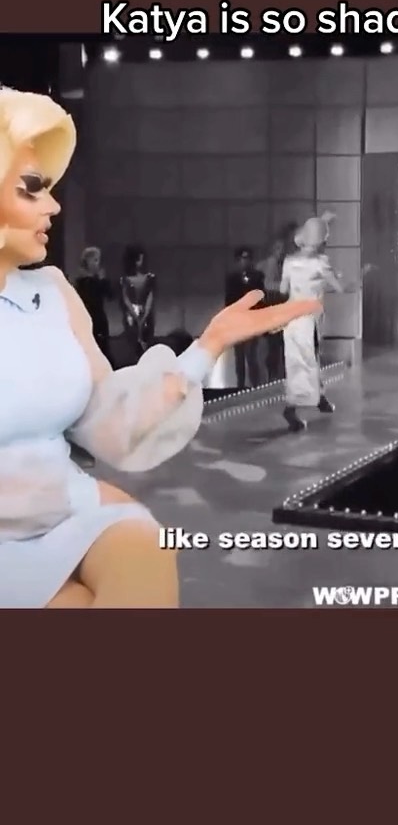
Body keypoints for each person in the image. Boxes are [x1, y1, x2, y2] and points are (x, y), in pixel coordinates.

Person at [0, 86, 320, 608]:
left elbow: (109, 419)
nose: (54, 205)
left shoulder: (53, 292)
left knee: (147, 547)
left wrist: (208, 346)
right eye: (32, 189)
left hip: (65, 507)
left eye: (51, 188)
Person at [279, 212, 367, 432]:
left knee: (297, 363)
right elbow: (342, 288)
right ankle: (292, 408)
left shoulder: (289, 261)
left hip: (290, 319)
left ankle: (319, 398)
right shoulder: (320, 264)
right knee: (307, 364)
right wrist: (361, 276)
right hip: (307, 320)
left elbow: (283, 289)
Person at [225, 246, 265, 390]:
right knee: (240, 356)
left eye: (247, 258)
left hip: (252, 319)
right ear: (238, 261)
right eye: (242, 259)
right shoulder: (232, 279)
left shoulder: (257, 277)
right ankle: (240, 385)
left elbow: (261, 298)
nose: (245, 261)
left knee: (251, 355)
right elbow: (229, 300)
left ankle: (255, 384)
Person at [75, 245, 114, 363]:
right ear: (88, 262)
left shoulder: (98, 281)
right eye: (96, 260)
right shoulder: (82, 283)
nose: (98, 264)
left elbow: (111, 296)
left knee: (104, 350)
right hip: (90, 320)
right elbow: (89, 300)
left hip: (100, 320)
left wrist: (103, 280)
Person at [257, 238, 287, 381]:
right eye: (279, 249)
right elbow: (268, 284)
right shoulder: (272, 263)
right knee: (275, 344)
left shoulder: (277, 263)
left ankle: (275, 374)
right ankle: (274, 374)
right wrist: (286, 285)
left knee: (276, 345)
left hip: (276, 309)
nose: (282, 252)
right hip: (274, 309)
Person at [119, 244, 156, 358]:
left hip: (145, 313)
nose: (141, 262)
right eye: (139, 259)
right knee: (133, 342)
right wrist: (135, 315)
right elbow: (125, 298)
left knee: (147, 340)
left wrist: (145, 315)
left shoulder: (149, 277)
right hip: (131, 315)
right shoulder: (124, 279)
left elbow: (150, 296)